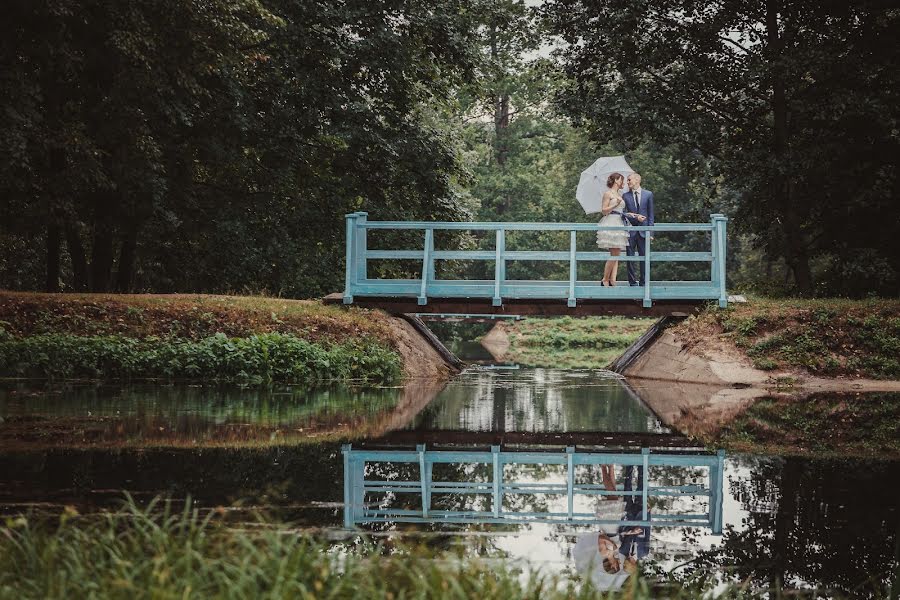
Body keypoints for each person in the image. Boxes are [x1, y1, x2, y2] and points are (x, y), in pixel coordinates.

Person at [595, 172, 631, 286]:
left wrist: (633, 215)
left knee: (617, 252)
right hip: (611, 221)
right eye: (621, 180)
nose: (623, 183)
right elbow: (604, 211)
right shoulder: (608, 193)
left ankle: (612, 280)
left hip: (619, 222)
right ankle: (605, 279)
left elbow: (622, 211)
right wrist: (615, 205)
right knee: (614, 252)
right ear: (616, 180)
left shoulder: (620, 194)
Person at [622, 173, 655, 287]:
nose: (627, 182)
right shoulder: (625, 196)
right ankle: (632, 282)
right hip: (630, 231)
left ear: (637, 180)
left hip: (644, 231)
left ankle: (643, 282)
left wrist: (650, 232)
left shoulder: (648, 194)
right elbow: (623, 214)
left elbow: (651, 215)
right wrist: (635, 216)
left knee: (644, 257)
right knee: (629, 258)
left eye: (629, 180)